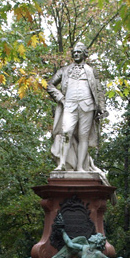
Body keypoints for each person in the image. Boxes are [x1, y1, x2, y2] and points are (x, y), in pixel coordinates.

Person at [47, 42, 107, 171]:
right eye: (74, 52)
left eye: (78, 52)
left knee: (83, 137)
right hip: (69, 105)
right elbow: (50, 85)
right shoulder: (64, 70)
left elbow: (99, 90)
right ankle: (62, 164)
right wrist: (61, 98)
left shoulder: (91, 71)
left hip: (87, 105)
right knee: (66, 132)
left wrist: (102, 107)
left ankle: (80, 167)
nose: (75, 54)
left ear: (84, 54)